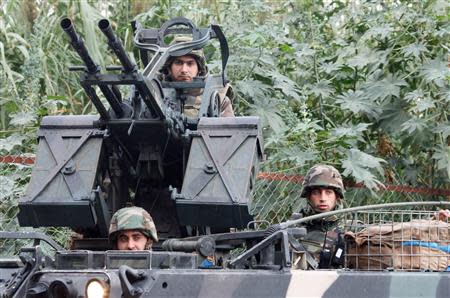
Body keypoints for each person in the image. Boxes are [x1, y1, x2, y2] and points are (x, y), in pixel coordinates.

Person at [160, 36, 235, 118]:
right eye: (178, 63)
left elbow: (229, 129)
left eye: (190, 64)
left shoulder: (217, 97)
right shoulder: (156, 92)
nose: (184, 70)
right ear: (169, 67)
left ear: (199, 69)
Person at [296, 164, 346, 268]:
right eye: (316, 192)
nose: (322, 198)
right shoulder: (294, 229)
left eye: (328, 192)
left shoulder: (352, 229)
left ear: (337, 196)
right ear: (308, 196)